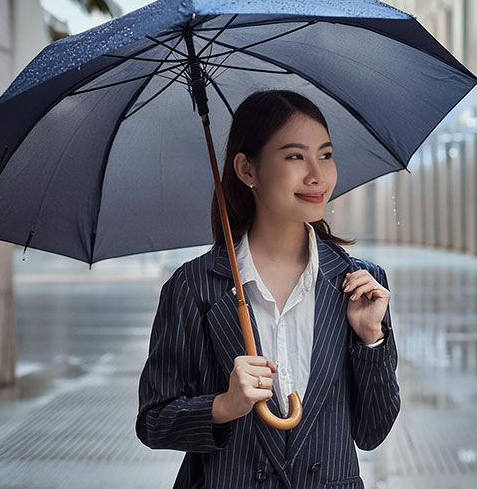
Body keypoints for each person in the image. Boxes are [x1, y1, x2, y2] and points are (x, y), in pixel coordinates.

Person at [135, 89, 400, 489]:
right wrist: (223, 406)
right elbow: (153, 422)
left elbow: (372, 431)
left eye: (325, 155)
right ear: (247, 170)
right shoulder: (194, 287)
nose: (317, 175)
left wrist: (369, 341)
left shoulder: (360, 286)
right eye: (295, 156)